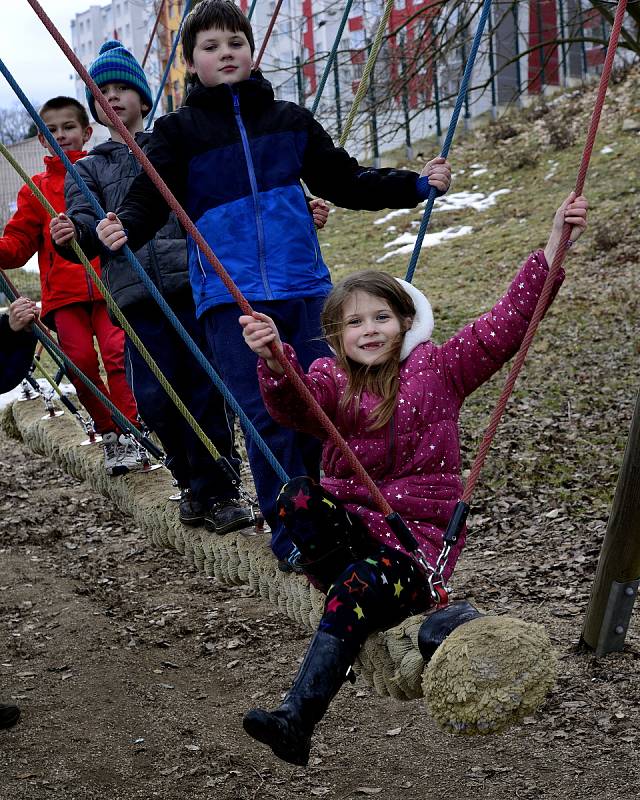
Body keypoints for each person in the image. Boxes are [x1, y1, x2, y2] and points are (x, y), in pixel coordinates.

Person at [93, 0, 452, 565]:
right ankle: (293, 536)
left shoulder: (288, 121)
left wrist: (414, 185)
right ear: (191, 63)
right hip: (229, 296)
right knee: (265, 412)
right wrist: (120, 229)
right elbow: (147, 197)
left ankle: (338, 518)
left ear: (251, 51)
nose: (225, 53)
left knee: (324, 405)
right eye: (210, 47)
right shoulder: (178, 133)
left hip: (303, 286)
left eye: (235, 42)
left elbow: (345, 179)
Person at [238, 192, 588, 765]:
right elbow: (295, 406)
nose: (369, 330)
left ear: (407, 321)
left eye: (381, 317)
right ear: (337, 336)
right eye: (354, 322)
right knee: (295, 497)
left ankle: (297, 718)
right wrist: (276, 362)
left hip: (411, 552)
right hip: (354, 534)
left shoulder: (442, 371)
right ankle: (347, 590)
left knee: (357, 586)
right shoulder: (330, 382)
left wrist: (554, 244)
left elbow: (505, 326)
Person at [50, 41, 256, 533]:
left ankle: (222, 490)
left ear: (144, 98)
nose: (114, 96)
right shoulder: (89, 168)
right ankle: (188, 480)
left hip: (192, 284)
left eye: (124, 87)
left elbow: (217, 190)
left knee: (205, 391)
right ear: (95, 107)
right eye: (103, 90)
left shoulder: (173, 142)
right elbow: (83, 224)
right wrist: (72, 237)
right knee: (157, 397)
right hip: (135, 295)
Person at [0, 96, 141, 476]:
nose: (60, 135)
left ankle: (131, 430)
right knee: (79, 363)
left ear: (86, 132)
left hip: (109, 286)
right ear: (43, 140)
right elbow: (17, 245)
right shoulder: (34, 191)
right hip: (64, 298)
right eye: (52, 130)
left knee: (117, 355)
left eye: (68, 127)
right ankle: (110, 431)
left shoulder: (100, 172)